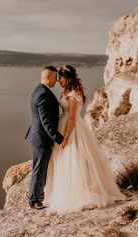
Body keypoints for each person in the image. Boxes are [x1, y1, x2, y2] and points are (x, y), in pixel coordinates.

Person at [43, 65, 126, 214]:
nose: (58, 81)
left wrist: (65, 137)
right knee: (64, 160)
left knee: (74, 159)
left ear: (67, 79)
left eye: (60, 78)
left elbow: (73, 117)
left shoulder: (73, 94)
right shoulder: (68, 92)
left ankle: (80, 194)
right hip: (65, 125)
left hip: (71, 128)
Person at [25, 66, 64, 210]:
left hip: (39, 136)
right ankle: (34, 200)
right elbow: (46, 122)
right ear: (48, 77)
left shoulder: (41, 90)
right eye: (55, 77)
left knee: (42, 167)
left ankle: (39, 194)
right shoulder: (42, 94)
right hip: (41, 138)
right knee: (39, 168)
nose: (57, 81)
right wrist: (59, 138)